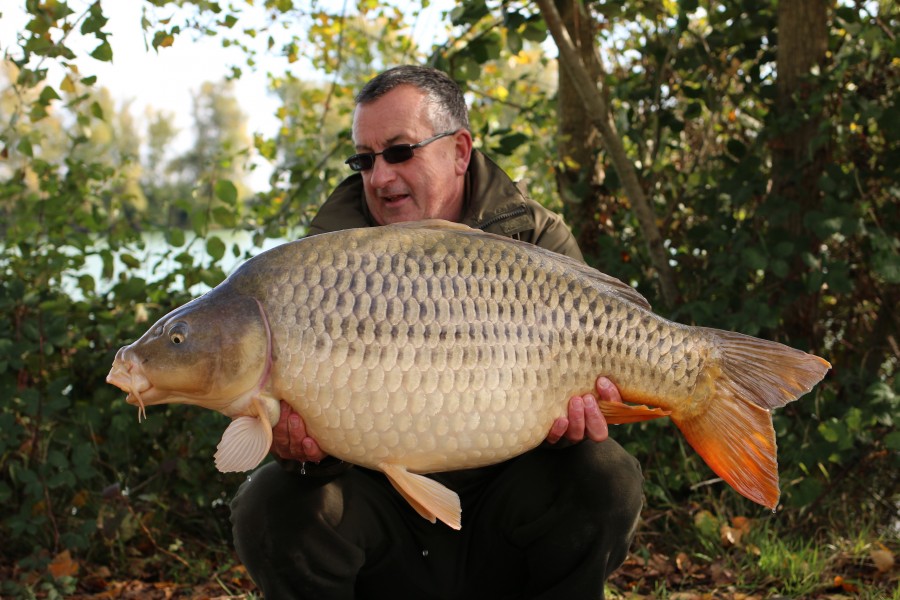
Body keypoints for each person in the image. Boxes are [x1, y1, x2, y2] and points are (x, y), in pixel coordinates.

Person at [230, 65, 643, 599]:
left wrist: (581, 423)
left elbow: (589, 402)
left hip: (505, 512)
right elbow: (322, 434)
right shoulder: (323, 264)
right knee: (271, 503)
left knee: (604, 475)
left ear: (460, 151)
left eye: (400, 151)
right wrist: (305, 452)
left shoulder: (537, 238)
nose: (379, 177)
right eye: (365, 159)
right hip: (382, 521)